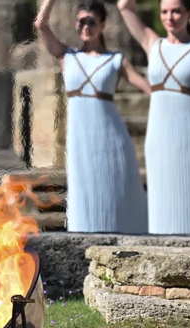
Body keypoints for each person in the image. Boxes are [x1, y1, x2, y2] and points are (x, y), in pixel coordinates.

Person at [35, 0, 150, 234]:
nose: (85, 27)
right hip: (80, 138)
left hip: (111, 137)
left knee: (116, 188)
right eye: (80, 22)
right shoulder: (66, 56)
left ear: (102, 25)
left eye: (91, 22)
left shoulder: (115, 60)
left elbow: (148, 87)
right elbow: (41, 25)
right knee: (82, 190)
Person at [118, 0, 190, 234]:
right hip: (159, 138)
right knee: (162, 205)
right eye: (164, 12)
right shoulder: (152, 44)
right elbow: (124, 6)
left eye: (176, 11)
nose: (170, 17)